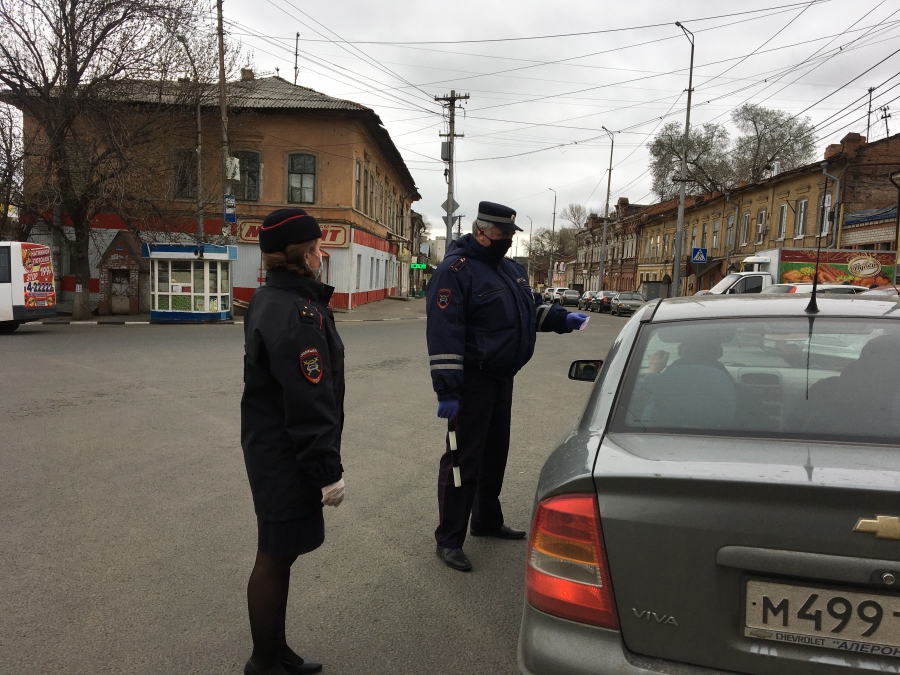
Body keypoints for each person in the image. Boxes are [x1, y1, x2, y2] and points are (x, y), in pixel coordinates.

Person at [426, 201, 589, 572]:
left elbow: (529, 312)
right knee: (461, 461)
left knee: (495, 454)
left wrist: (564, 319)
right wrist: (447, 391)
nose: (507, 240)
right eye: (502, 234)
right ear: (481, 231)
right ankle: (449, 538)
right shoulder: (455, 271)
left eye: (511, 234)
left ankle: (486, 520)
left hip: (502, 379)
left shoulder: (511, 270)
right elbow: (444, 333)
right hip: (470, 382)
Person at [241, 208, 346, 675]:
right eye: (318, 247)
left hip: (272, 448)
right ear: (302, 255)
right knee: (275, 555)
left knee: (278, 555)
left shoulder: (272, 298)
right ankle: (265, 658)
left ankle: (274, 650)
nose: (322, 254)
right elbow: (308, 400)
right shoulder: (296, 313)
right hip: (287, 455)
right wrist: (327, 472)